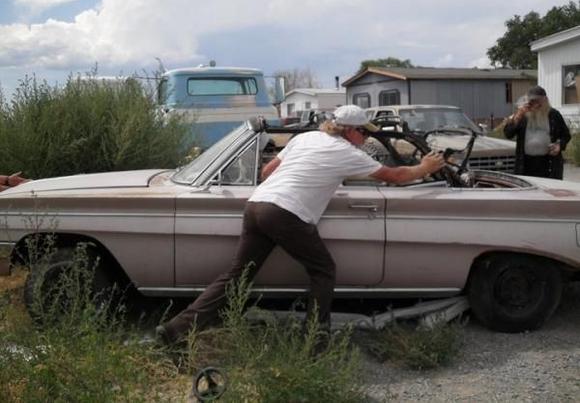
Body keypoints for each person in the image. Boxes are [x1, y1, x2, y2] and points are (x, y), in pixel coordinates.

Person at [156, 105, 445, 344]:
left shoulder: (305, 139)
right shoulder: (349, 154)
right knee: (323, 270)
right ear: (351, 131)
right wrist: (425, 168)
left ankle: (174, 329)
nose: (366, 139)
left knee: (237, 275)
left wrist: (311, 177)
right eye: (363, 133)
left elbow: (267, 171)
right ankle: (315, 340)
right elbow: (394, 177)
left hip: (258, 206)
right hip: (286, 213)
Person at [504, 85, 571, 179]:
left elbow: (566, 135)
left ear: (545, 99)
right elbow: (508, 134)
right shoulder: (522, 115)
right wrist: (517, 117)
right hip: (525, 164)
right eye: (532, 101)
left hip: (548, 164)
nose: (535, 104)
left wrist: (559, 145)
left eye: (538, 100)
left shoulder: (554, 115)